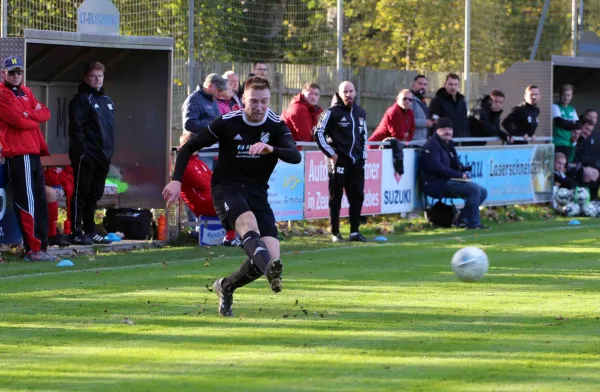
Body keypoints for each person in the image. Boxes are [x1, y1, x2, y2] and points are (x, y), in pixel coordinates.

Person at [162, 76, 301, 317]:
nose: (259, 107)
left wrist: (271, 148)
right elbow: (187, 147)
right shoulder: (228, 122)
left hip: (258, 192)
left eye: (264, 102)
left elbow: (294, 155)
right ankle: (263, 269)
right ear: (243, 100)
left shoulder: (275, 125)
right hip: (227, 187)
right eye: (254, 101)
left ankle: (225, 287)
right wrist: (176, 180)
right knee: (250, 229)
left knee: (270, 260)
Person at [0, 56, 57, 261]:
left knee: (40, 199)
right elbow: (18, 122)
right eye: (12, 72)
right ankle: (32, 249)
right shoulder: (2, 94)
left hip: (33, 152)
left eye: (19, 72)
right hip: (18, 153)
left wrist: (28, 114)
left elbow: (46, 113)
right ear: (4, 73)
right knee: (28, 202)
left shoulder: (27, 92)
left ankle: (41, 246)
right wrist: (32, 116)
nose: (16, 75)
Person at [314, 81, 369, 243]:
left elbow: (364, 135)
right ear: (339, 93)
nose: (348, 94)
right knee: (335, 197)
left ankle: (354, 232)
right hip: (338, 162)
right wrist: (331, 154)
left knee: (357, 196)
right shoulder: (331, 112)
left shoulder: (360, 112)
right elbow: (319, 134)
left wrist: (363, 156)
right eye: (345, 91)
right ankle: (335, 232)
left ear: (355, 93)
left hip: (356, 162)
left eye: (351, 91)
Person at [68, 61, 114, 245]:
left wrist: (108, 152)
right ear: (86, 78)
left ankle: (90, 229)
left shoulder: (106, 100)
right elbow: (76, 129)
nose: (97, 79)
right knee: (82, 192)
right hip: (86, 156)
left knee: (95, 193)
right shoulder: (81, 100)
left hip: (103, 156)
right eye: (93, 76)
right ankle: (76, 231)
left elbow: (108, 130)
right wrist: (82, 153)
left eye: (100, 76)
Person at [421, 117, 489, 230]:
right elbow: (438, 168)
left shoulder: (449, 144)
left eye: (449, 129)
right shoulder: (431, 145)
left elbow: (454, 164)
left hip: (446, 181)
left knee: (483, 192)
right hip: (435, 184)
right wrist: (459, 175)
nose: (447, 131)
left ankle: (462, 219)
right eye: (443, 129)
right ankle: (473, 223)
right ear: (437, 130)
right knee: (474, 189)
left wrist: (461, 170)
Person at [178, 131, 240, 246]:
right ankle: (230, 239)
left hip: (210, 196)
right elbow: (203, 184)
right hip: (201, 202)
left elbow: (212, 178)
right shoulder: (185, 164)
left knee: (242, 198)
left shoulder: (198, 161)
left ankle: (247, 236)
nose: (196, 146)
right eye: (192, 144)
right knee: (231, 203)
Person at [428, 73, 469, 140]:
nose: (453, 87)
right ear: (445, 84)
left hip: (461, 139)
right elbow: (433, 122)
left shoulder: (462, 102)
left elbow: (464, 121)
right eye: (450, 84)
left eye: (456, 84)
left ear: (459, 85)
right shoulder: (437, 101)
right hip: (444, 140)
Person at [552, 84, 580, 157]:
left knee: (565, 166)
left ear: (572, 96)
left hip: (568, 143)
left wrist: (567, 123)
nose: (566, 98)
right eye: (564, 95)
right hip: (556, 142)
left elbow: (578, 125)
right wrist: (571, 124)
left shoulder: (572, 109)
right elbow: (560, 123)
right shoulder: (555, 106)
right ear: (560, 95)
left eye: (569, 95)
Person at [410, 75, 433, 143]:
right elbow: (406, 120)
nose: (423, 86)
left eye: (425, 84)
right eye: (420, 84)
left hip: (422, 141)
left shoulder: (422, 100)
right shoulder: (408, 100)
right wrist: (425, 123)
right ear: (413, 85)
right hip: (412, 142)